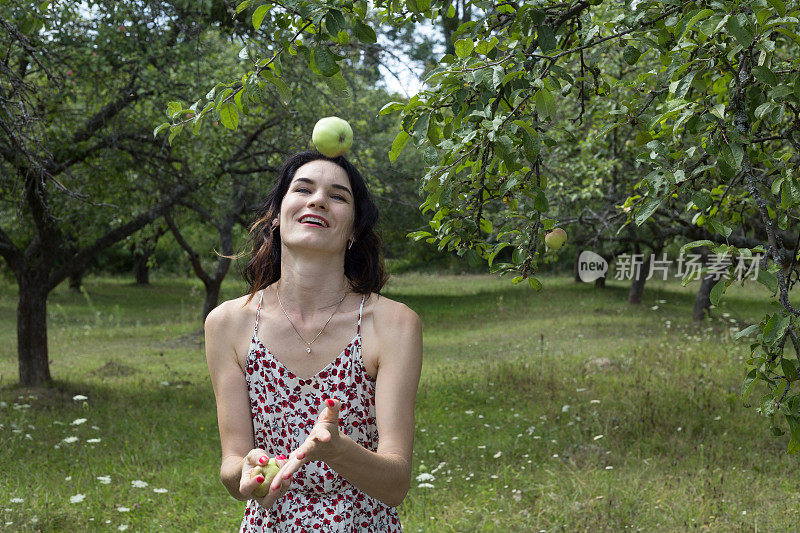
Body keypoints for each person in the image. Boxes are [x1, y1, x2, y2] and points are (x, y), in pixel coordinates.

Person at [204, 151, 423, 532]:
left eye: (338, 196)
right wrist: (247, 471)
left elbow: (396, 484)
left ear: (354, 229)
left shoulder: (393, 323)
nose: (318, 199)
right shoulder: (228, 324)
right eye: (302, 188)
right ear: (275, 215)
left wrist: (339, 451)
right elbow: (231, 463)